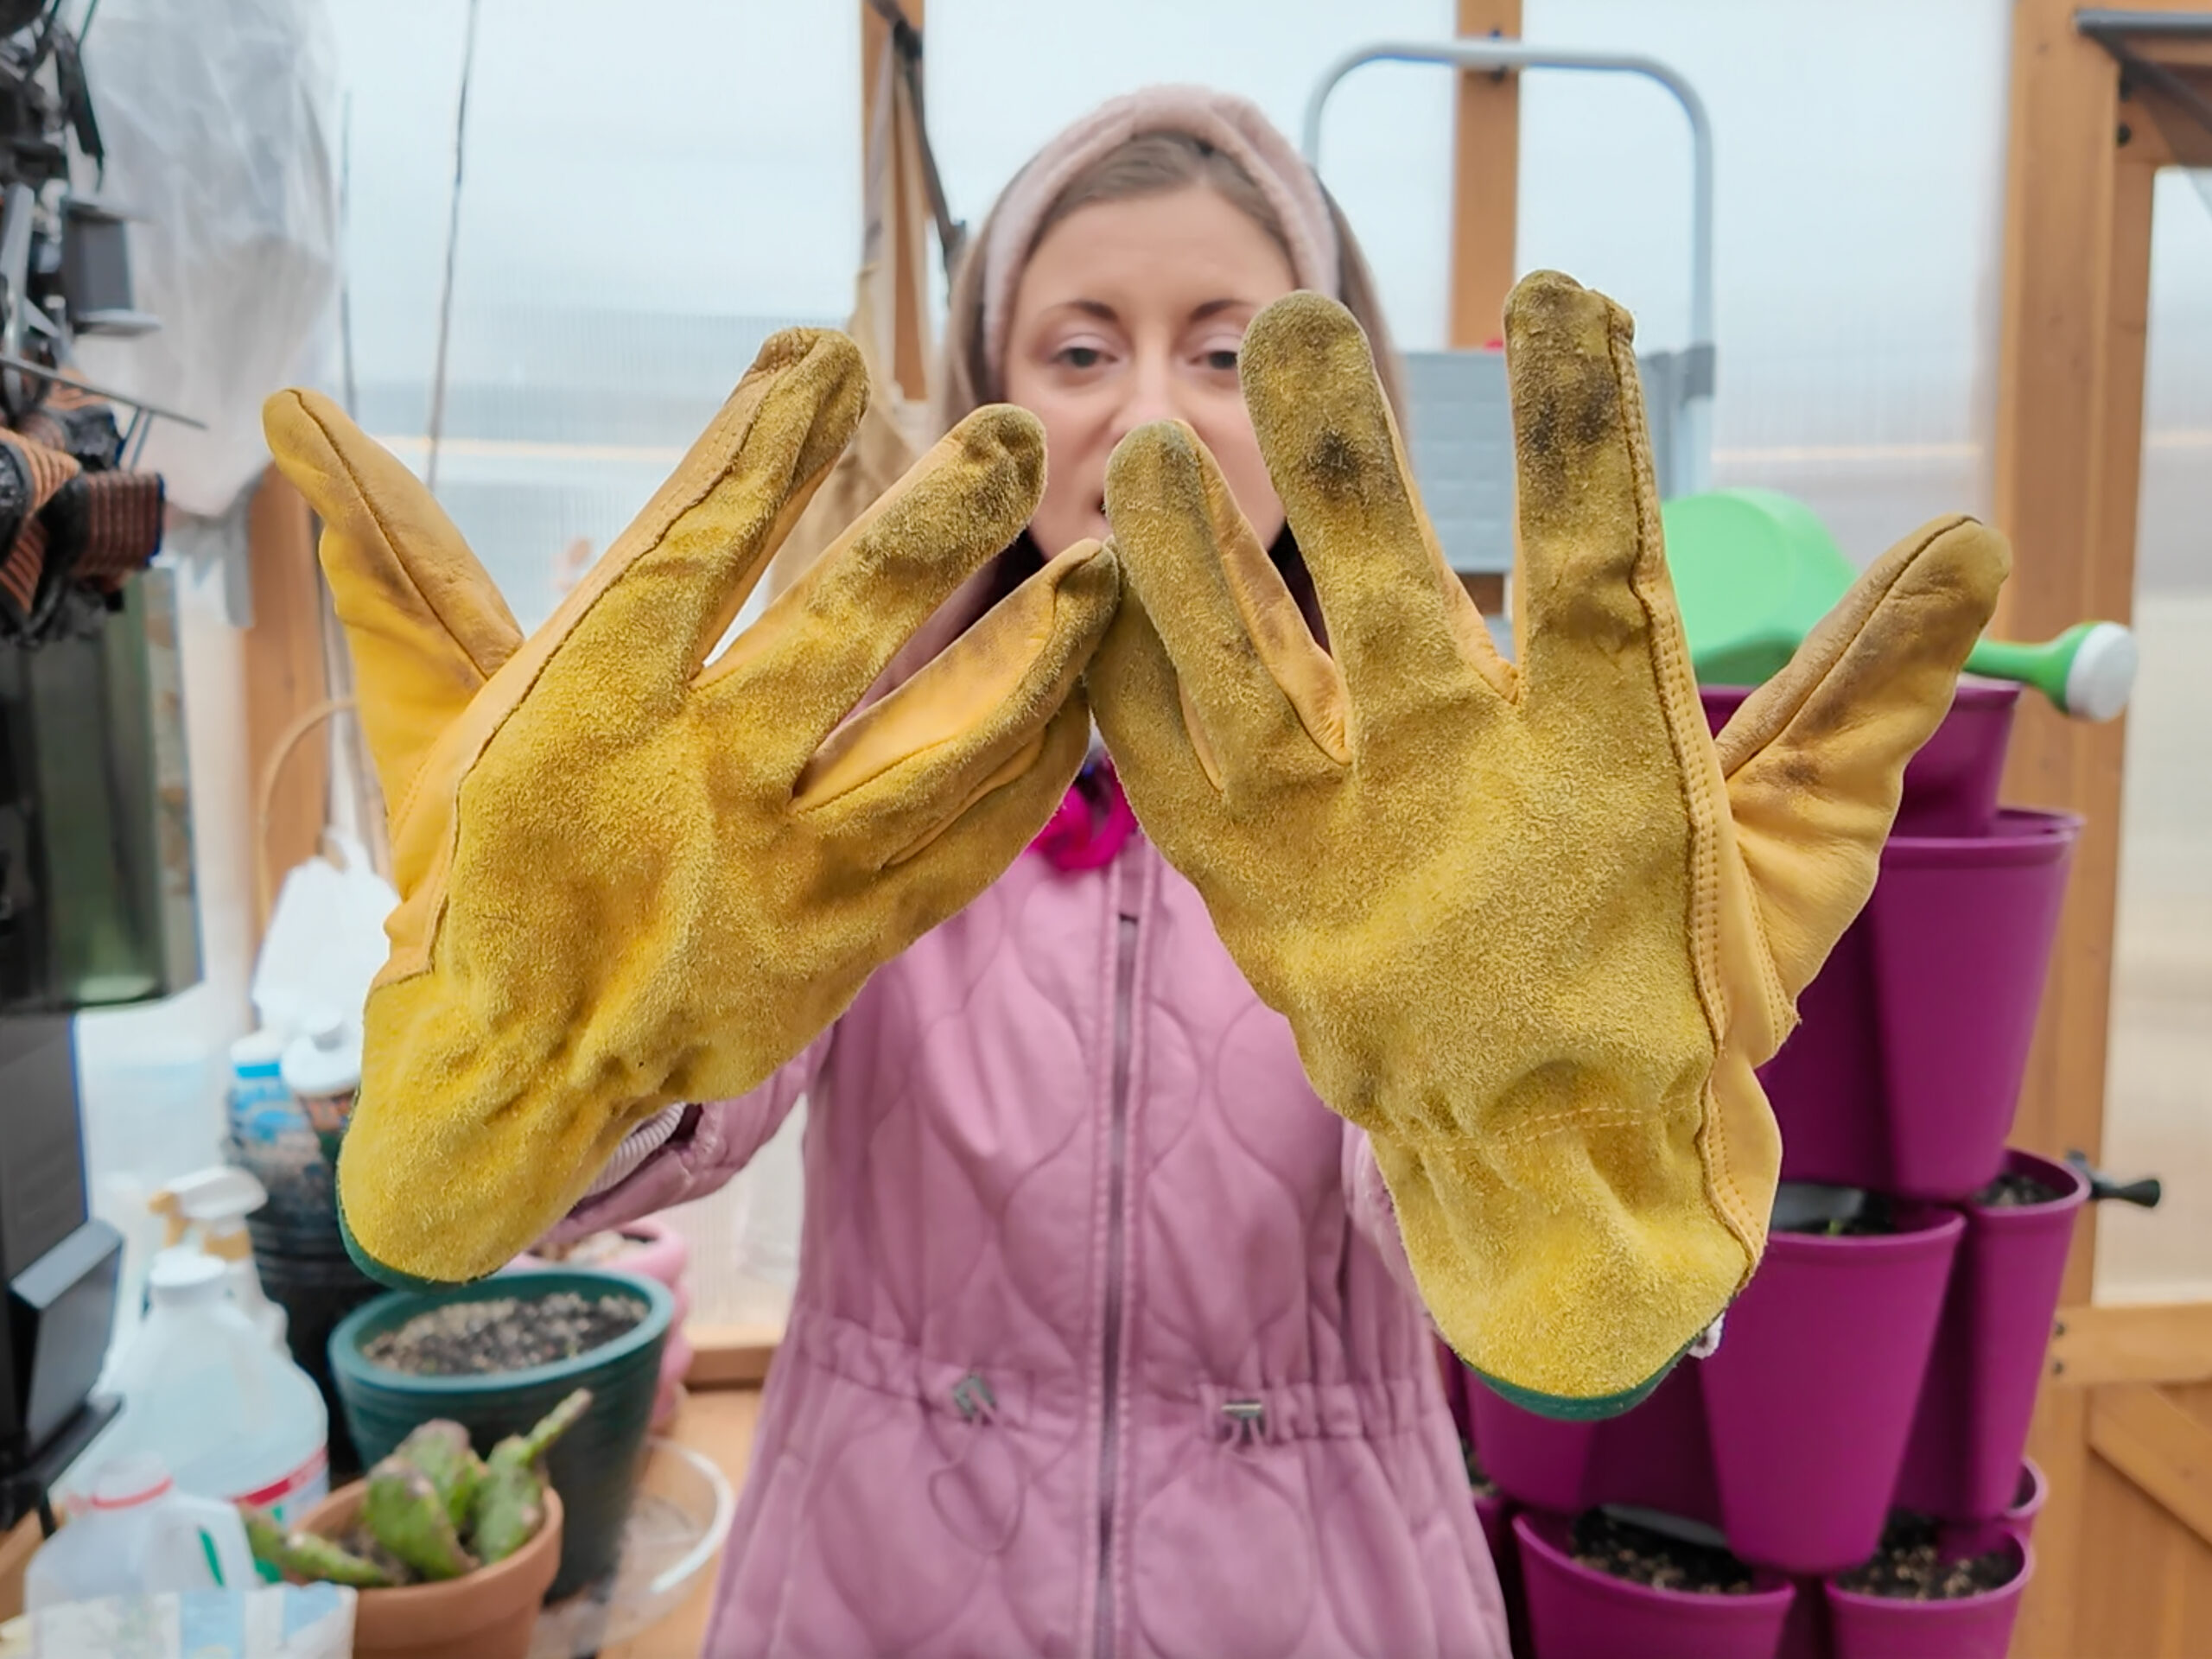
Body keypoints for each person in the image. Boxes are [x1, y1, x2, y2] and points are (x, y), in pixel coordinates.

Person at [556, 88, 1514, 1657]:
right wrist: (571, 1015)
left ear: (1332, 410)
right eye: (1080, 352)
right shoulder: (853, 755)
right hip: (881, 1575)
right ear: (988, 409)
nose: (1148, 416)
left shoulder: (1437, 780)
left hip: (1323, 1590)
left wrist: (1563, 1144)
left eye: (1226, 352)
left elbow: (1479, 1239)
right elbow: (664, 1120)